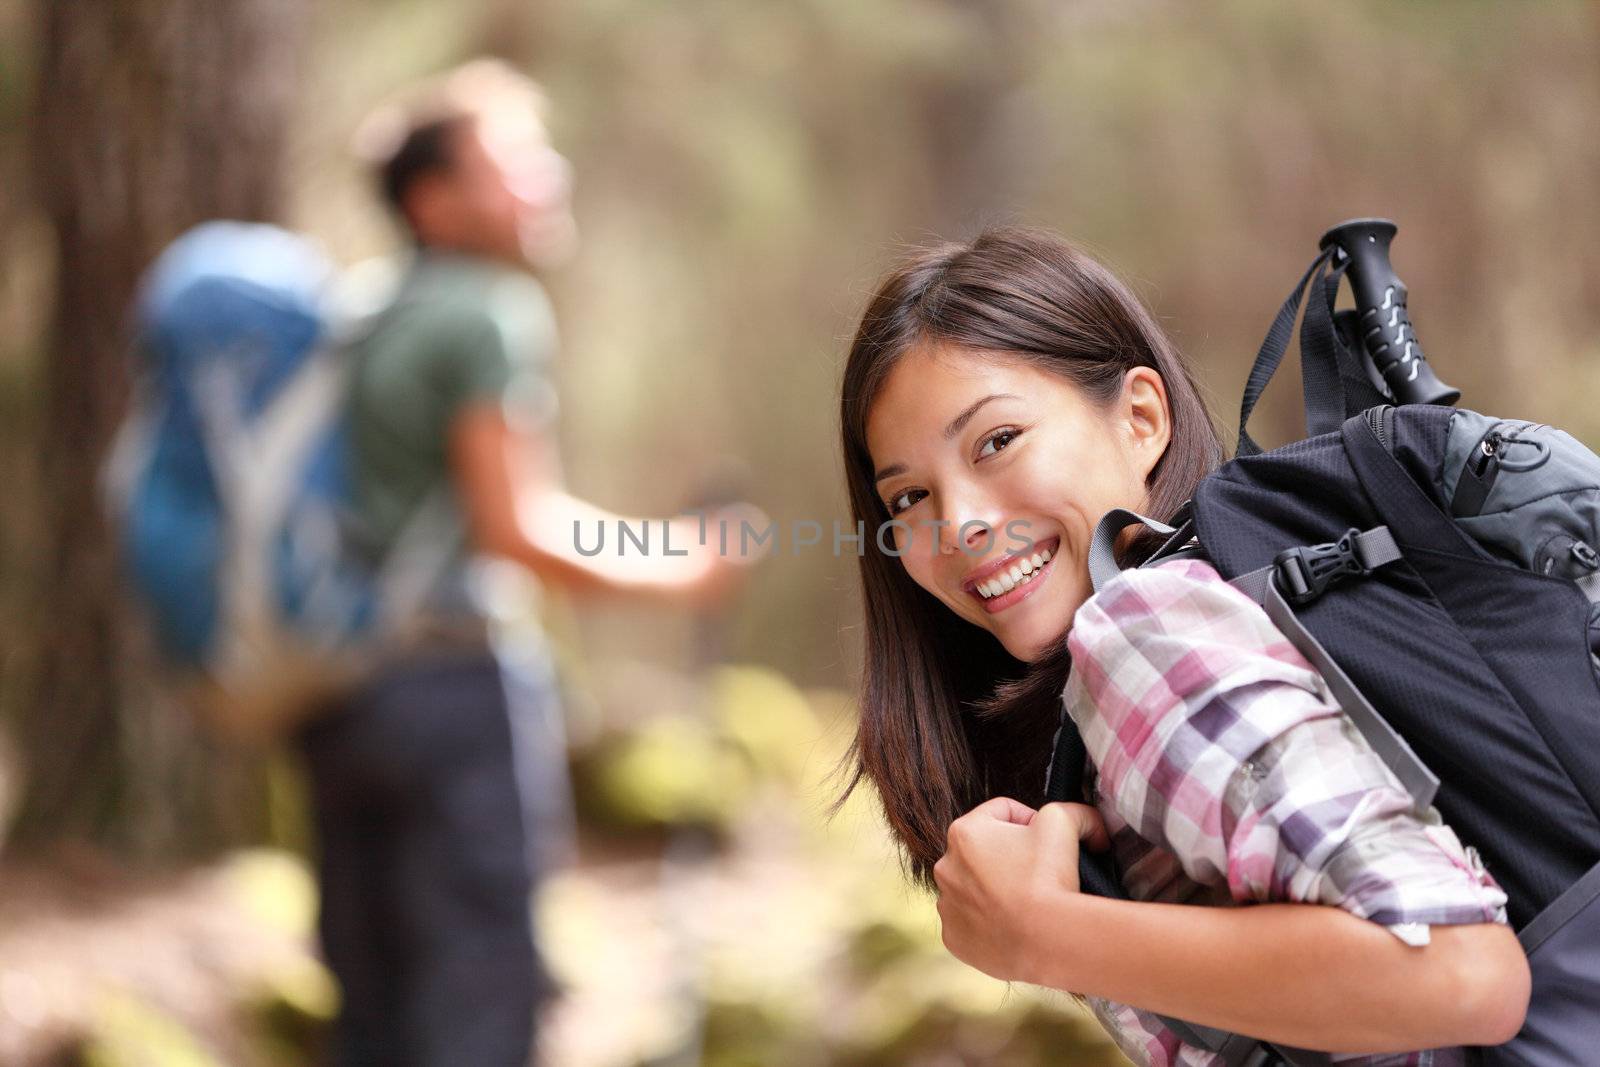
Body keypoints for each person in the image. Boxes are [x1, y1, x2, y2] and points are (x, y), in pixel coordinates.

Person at [834, 227, 1529, 1065]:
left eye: (996, 441)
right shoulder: (1179, 626)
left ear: (1140, 417)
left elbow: (1464, 974)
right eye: (908, 495)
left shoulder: (1145, 631)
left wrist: (1043, 934)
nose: (960, 522)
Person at [298, 60, 759, 1067]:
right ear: (434, 200)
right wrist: (683, 567)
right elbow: (522, 528)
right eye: (511, 163)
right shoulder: (487, 313)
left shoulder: (366, 313)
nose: (545, 179)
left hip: (342, 689)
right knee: (482, 992)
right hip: (455, 689)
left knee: (371, 999)